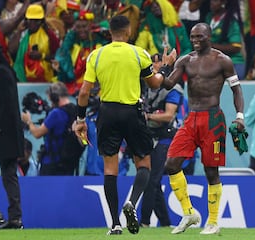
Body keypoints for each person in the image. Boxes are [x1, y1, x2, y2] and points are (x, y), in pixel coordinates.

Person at [74, 15, 177, 235]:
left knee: (110, 168)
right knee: (144, 164)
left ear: (110, 32)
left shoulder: (97, 55)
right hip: (132, 112)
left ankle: (114, 224)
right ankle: (131, 202)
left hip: (107, 113)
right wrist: (166, 67)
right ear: (128, 32)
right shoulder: (139, 53)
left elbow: (84, 92)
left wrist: (80, 120)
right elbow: (155, 82)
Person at [162, 22, 245, 235]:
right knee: (171, 164)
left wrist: (239, 116)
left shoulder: (223, 61)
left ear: (209, 37)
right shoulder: (185, 60)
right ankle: (189, 213)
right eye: (192, 37)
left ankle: (214, 221)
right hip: (191, 119)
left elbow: (237, 91)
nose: (195, 40)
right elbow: (168, 84)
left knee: (211, 171)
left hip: (213, 120)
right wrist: (165, 67)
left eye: (200, 36)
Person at [140, 53, 183, 228]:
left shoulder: (173, 88)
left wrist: (147, 116)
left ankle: (144, 222)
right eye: (152, 62)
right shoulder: (145, 85)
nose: (155, 64)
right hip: (147, 135)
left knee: (152, 180)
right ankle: (165, 223)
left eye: (158, 61)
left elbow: (168, 115)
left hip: (164, 137)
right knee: (154, 183)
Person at [0, 40, 24, 229]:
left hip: (2, 135)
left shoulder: (1, 73)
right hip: (4, 135)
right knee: (9, 174)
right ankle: (14, 218)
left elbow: (9, 105)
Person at [21, 82, 81, 176]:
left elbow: (37, 134)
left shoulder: (56, 113)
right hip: (69, 162)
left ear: (55, 97)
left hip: (52, 163)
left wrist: (29, 121)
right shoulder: (75, 110)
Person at [10, 4, 60, 82]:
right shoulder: (22, 33)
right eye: (30, 19)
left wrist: (42, 56)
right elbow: (12, 51)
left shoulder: (49, 35)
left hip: (45, 79)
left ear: (41, 21)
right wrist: (19, 31)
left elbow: (58, 57)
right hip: (23, 79)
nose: (32, 23)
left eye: (36, 20)